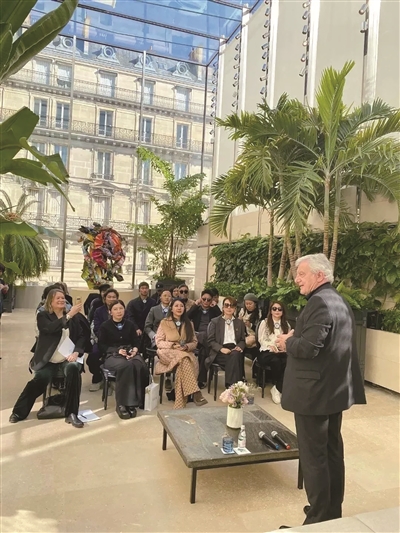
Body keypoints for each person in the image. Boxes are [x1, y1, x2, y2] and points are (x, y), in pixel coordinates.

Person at [277, 254, 366, 527]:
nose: (296, 279)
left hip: (314, 395)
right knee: (331, 454)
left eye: (301, 274)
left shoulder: (319, 302)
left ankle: (317, 521)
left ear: (319, 275)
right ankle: (330, 514)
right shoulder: (338, 300)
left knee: (314, 459)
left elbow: (308, 348)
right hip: (332, 393)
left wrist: (286, 342)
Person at [9, 289, 86, 428]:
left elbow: (81, 336)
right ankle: (18, 412)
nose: (62, 300)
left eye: (63, 298)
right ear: (50, 301)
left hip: (66, 359)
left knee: (74, 370)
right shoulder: (43, 316)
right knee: (38, 381)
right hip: (48, 360)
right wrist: (69, 315)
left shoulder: (73, 318)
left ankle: (72, 413)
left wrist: (76, 352)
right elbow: (50, 329)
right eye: (58, 298)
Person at [98, 300, 149, 419]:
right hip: (112, 355)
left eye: (121, 308)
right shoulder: (105, 326)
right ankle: (122, 404)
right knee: (126, 366)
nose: (119, 311)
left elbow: (136, 341)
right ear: (110, 312)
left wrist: (135, 350)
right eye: (115, 309)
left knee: (139, 365)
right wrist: (117, 351)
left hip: (130, 352)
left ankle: (136, 401)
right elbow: (101, 346)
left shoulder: (130, 324)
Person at [155, 298, 207, 409]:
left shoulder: (189, 323)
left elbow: (194, 342)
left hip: (184, 352)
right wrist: (173, 345)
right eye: (176, 306)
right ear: (171, 308)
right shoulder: (164, 322)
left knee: (184, 362)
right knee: (185, 358)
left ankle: (179, 405)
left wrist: (186, 346)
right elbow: (158, 342)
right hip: (168, 352)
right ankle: (195, 392)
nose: (179, 308)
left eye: (181, 306)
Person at [206, 297, 246, 387]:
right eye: (226, 305)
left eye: (232, 305)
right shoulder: (215, 322)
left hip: (234, 349)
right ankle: (235, 386)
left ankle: (231, 386)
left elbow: (242, 340)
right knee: (236, 358)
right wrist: (221, 349)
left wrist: (240, 346)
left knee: (235, 355)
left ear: (235, 308)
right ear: (222, 307)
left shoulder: (239, 323)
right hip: (220, 351)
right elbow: (210, 341)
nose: (229, 308)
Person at [257, 301, 291, 404]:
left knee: (288, 361)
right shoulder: (265, 322)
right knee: (275, 360)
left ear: (283, 311)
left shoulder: (286, 324)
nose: (277, 311)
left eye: (279, 309)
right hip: (266, 351)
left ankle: (277, 388)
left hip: (281, 351)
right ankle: (279, 387)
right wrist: (269, 346)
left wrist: (283, 347)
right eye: (274, 309)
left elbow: (288, 339)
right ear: (271, 311)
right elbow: (260, 339)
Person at [187, 289, 221, 387]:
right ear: (200, 299)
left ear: (212, 301)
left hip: (208, 339)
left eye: (208, 300)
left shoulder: (213, 311)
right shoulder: (197, 310)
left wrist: (215, 307)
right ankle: (202, 379)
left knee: (203, 351)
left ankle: (201, 380)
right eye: (204, 299)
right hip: (197, 337)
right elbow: (186, 317)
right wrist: (195, 305)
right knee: (203, 336)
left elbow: (221, 319)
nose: (206, 301)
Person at [87, 288, 119, 391]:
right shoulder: (99, 311)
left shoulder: (121, 310)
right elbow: (96, 328)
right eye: (109, 297)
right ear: (104, 299)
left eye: (114, 297)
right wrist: (104, 338)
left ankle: (113, 379)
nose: (111, 299)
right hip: (101, 340)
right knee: (93, 355)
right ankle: (97, 377)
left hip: (118, 341)